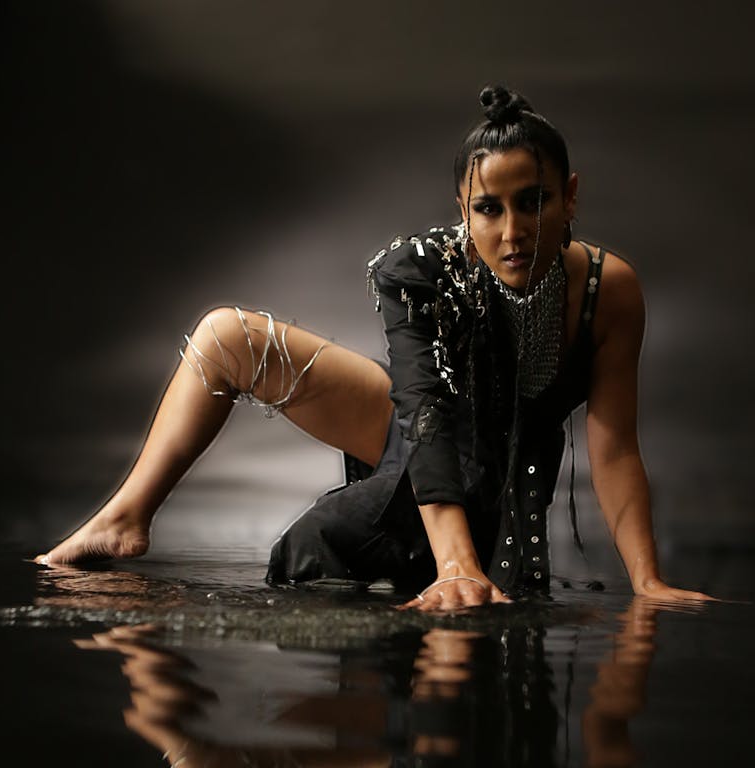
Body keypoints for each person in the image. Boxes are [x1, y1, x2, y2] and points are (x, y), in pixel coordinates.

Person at [36, 85, 712, 610]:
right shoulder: (418, 270)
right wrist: (454, 566)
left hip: (490, 481)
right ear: (461, 208)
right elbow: (422, 408)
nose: (512, 231)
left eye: (532, 202)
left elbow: (616, 447)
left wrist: (648, 581)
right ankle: (125, 518)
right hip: (422, 432)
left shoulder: (608, 290)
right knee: (223, 336)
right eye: (488, 208)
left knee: (325, 542)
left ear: (569, 198)